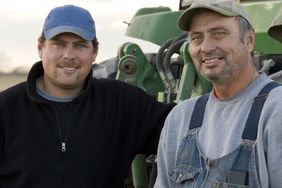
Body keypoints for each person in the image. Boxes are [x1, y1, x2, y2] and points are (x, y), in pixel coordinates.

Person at [0, 5, 175, 188]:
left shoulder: (121, 103)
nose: (68, 55)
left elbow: (183, 129)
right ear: (40, 48)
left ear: (94, 52)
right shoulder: (6, 109)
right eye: (58, 44)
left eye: (80, 45)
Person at [154, 0, 282, 187]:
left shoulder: (275, 110)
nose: (206, 47)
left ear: (249, 40)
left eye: (218, 34)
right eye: (197, 37)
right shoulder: (180, 118)